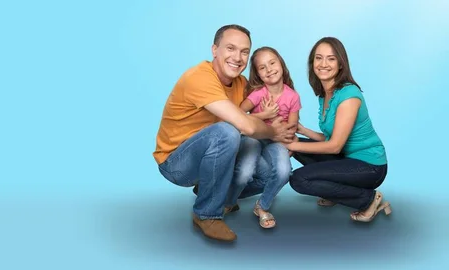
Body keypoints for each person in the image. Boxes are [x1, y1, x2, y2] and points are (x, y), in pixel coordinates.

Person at [153, 24, 295, 242]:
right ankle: (206, 214)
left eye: (244, 51)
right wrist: (274, 132)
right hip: (176, 164)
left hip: (211, 158)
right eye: (230, 48)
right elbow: (245, 125)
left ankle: (216, 192)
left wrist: (287, 138)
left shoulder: (241, 84)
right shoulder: (199, 77)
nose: (237, 57)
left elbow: (251, 119)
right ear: (214, 50)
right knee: (227, 132)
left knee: (271, 172)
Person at [285, 37, 391, 222]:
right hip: (347, 158)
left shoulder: (349, 95)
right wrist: (302, 131)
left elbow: (334, 146)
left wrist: (294, 145)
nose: (323, 64)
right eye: (318, 58)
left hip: (370, 167)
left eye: (331, 58)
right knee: (298, 145)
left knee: (298, 179)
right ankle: (335, 192)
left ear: (341, 64)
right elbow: (330, 137)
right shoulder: (325, 94)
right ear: (312, 63)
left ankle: (369, 200)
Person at [224, 47, 302, 229]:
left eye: (272, 63)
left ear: (281, 64)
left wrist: (276, 122)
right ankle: (229, 201)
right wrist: (264, 114)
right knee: (245, 172)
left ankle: (262, 206)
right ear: (258, 74)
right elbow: (238, 115)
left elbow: (291, 128)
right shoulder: (259, 93)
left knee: (284, 172)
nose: (269, 69)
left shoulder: (293, 97)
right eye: (262, 67)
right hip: (253, 137)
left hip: (276, 141)